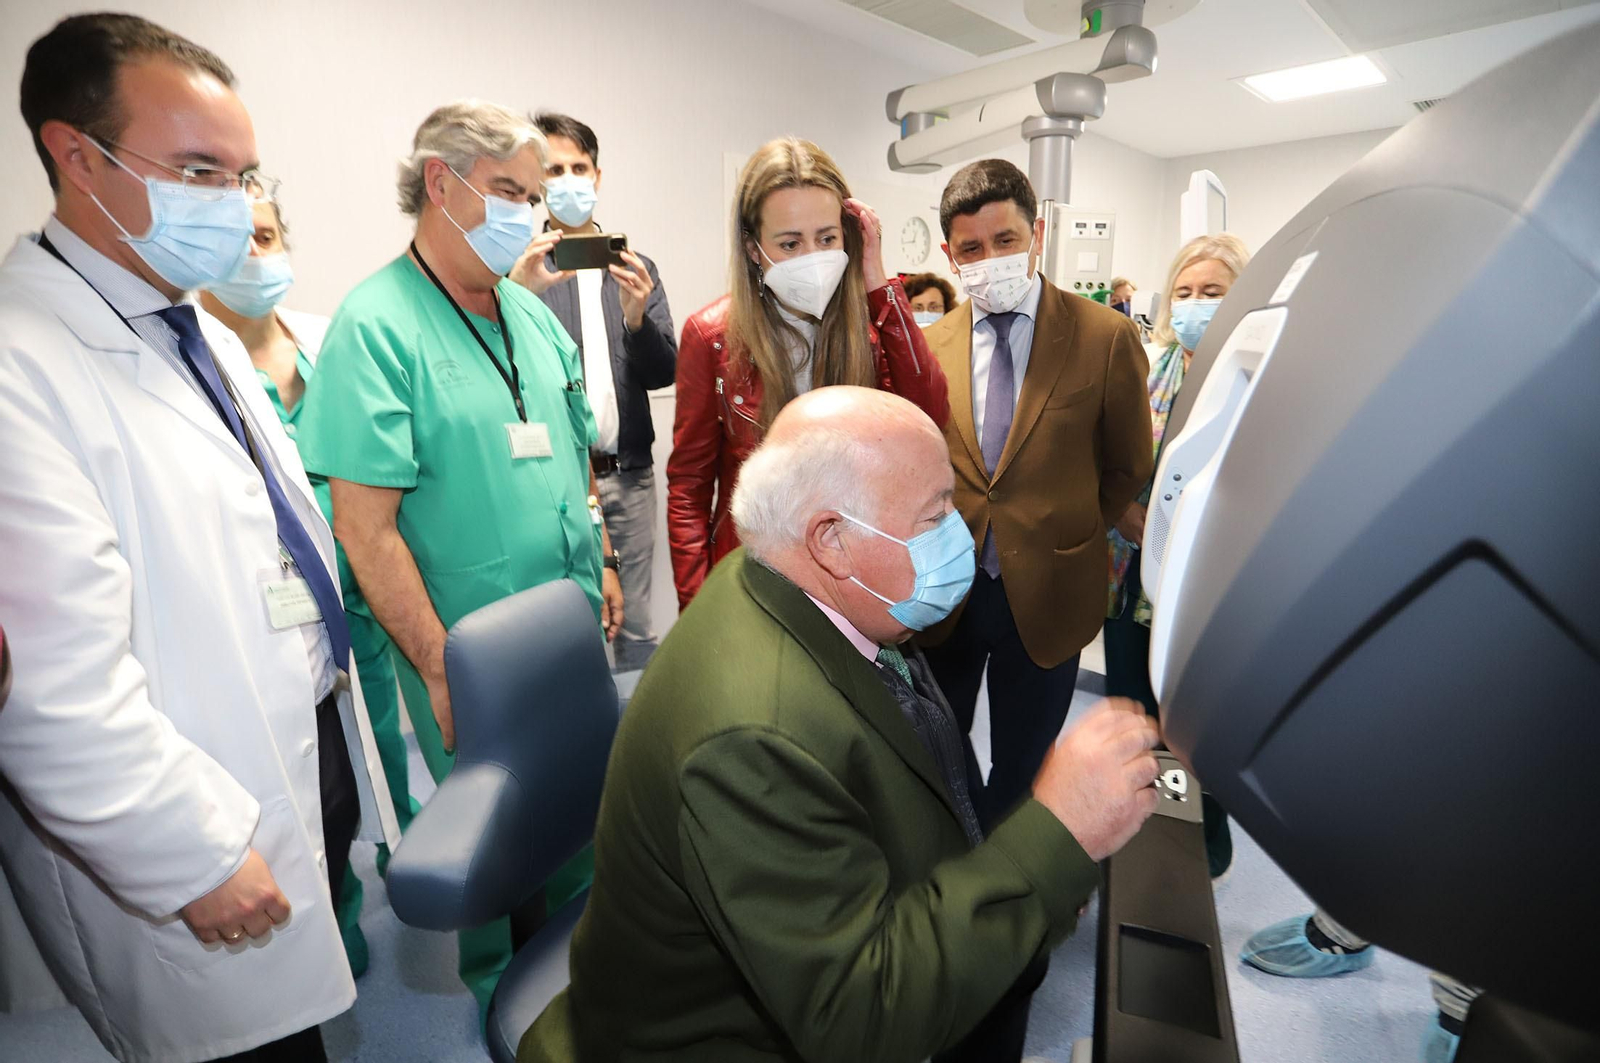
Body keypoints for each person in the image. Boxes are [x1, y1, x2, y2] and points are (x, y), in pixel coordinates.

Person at [518, 386, 1163, 1063]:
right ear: (830, 539)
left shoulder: (791, 576)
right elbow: (859, 1019)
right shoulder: (754, 736)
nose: (959, 531)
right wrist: (1057, 834)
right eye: (936, 512)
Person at [0, 14, 398, 1063]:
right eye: (197, 171)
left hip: (288, 733)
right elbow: (46, 687)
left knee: (302, 1020)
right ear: (74, 155)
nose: (234, 204)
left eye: (243, 174)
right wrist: (188, 857)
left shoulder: (197, 327)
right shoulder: (17, 364)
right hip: (181, 821)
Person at [292, 99, 621, 1020]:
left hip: (563, 630)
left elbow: (570, 446)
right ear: (443, 182)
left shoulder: (528, 310)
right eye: (511, 190)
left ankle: (584, 981)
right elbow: (366, 528)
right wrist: (437, 663)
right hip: (467, 650)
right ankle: (508, 1013)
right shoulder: (377, 325)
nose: (533, 210)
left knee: (581, 814)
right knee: (499, 840)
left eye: (538, 191)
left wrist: (596, 558)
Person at [198, 194, 423, 976]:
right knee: (313, 778)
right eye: (236, 239)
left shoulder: (326, 337)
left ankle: (405, 847)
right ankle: (339, 918)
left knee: (382, 738)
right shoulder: (199, 358)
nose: (254, 254)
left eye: (265, 235)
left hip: (358, 580)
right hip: (274, 605)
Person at [918, 159, 1153, 826]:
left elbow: (1127, 462)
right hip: (947, 590)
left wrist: (1068, 528)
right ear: (950, 255)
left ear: (1037, 234)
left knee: (1027, 763)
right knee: (934, 744)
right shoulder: (927, 346)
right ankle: (957, 852)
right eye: (971, 249)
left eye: (1006, 241)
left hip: (1051, 593)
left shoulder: (1104, 336)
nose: (989, 259)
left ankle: (1012, 880)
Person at [666, 137, 949, 609]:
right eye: (790, 243)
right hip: (754, 577)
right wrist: (699, 606)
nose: (812, 257)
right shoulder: (711, 335)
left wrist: (880, 284)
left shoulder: (869, 326)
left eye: (827, 238)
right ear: (755, 250)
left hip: (854, 572)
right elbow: (689, 490)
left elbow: (930, 413)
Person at [1103, 232, 1249, 877]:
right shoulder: (1148, 369)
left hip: (1209, 586)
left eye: (1213, 293)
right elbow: (1111, 460)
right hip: (1131, 575)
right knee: (1134, 712)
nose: (1195, 305)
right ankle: (1149, 830)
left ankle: (1197, 843)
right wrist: (1127, 514)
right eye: (1185, 292)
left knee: (1189, 728)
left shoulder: (1257, 381)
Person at [529, 112, 676, 672]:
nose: (568, 180)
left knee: (634, 625)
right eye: (554, 169)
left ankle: (634, 752)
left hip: (630, 475)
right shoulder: (522, 271)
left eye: (578, 167)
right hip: (556, 481)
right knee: (570, 626)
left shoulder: (637, 268)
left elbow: (664, 375)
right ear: (538, 181)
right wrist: (521, 292)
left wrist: (637, 318)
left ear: (597, 175)